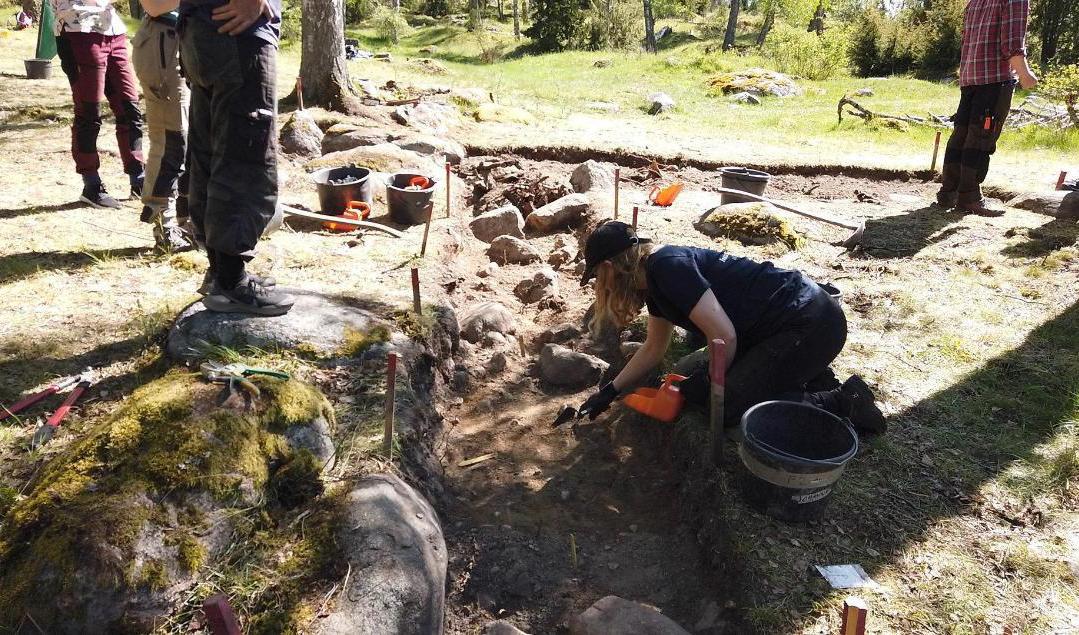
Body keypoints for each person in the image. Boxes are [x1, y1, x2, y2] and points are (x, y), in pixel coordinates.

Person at [576, 221, 886, 435]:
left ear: (608, 268)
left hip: (810, 323)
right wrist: (610, 391)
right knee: (711, 381)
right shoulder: (654, 281)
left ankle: (842, 401)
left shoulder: (669, 267)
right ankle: (813, 379)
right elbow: (654, 348)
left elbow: (723, 336)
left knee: (725, 408)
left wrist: (710, 380)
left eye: (597, 278)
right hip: (784, 327)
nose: (600, 287)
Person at [178, 0, 293, 315]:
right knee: (245, 151)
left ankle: (220, 272)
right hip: (236, 30)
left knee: (211, 149)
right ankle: (231, 281)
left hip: (201, 26)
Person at [936, 0, 1037, 217]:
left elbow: (966, 41)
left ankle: (948, 192)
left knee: (961, 135)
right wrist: (1025, 74)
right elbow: (1012, 43)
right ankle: (970, 197)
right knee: (981, 138)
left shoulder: (976, 1)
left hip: (969, 78)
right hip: (994, 80)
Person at [51, 0, 145, 208]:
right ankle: (91, 185)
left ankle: (138, 178)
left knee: (129, 107)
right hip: (78, 32)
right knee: (89, 112)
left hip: (113, 30)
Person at [132, 0, 195, 252]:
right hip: (164, 46)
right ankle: (163, 224)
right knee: (172, 139)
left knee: (194, 139)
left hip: (193, 43)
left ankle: (187, 220)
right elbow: (153, 5)